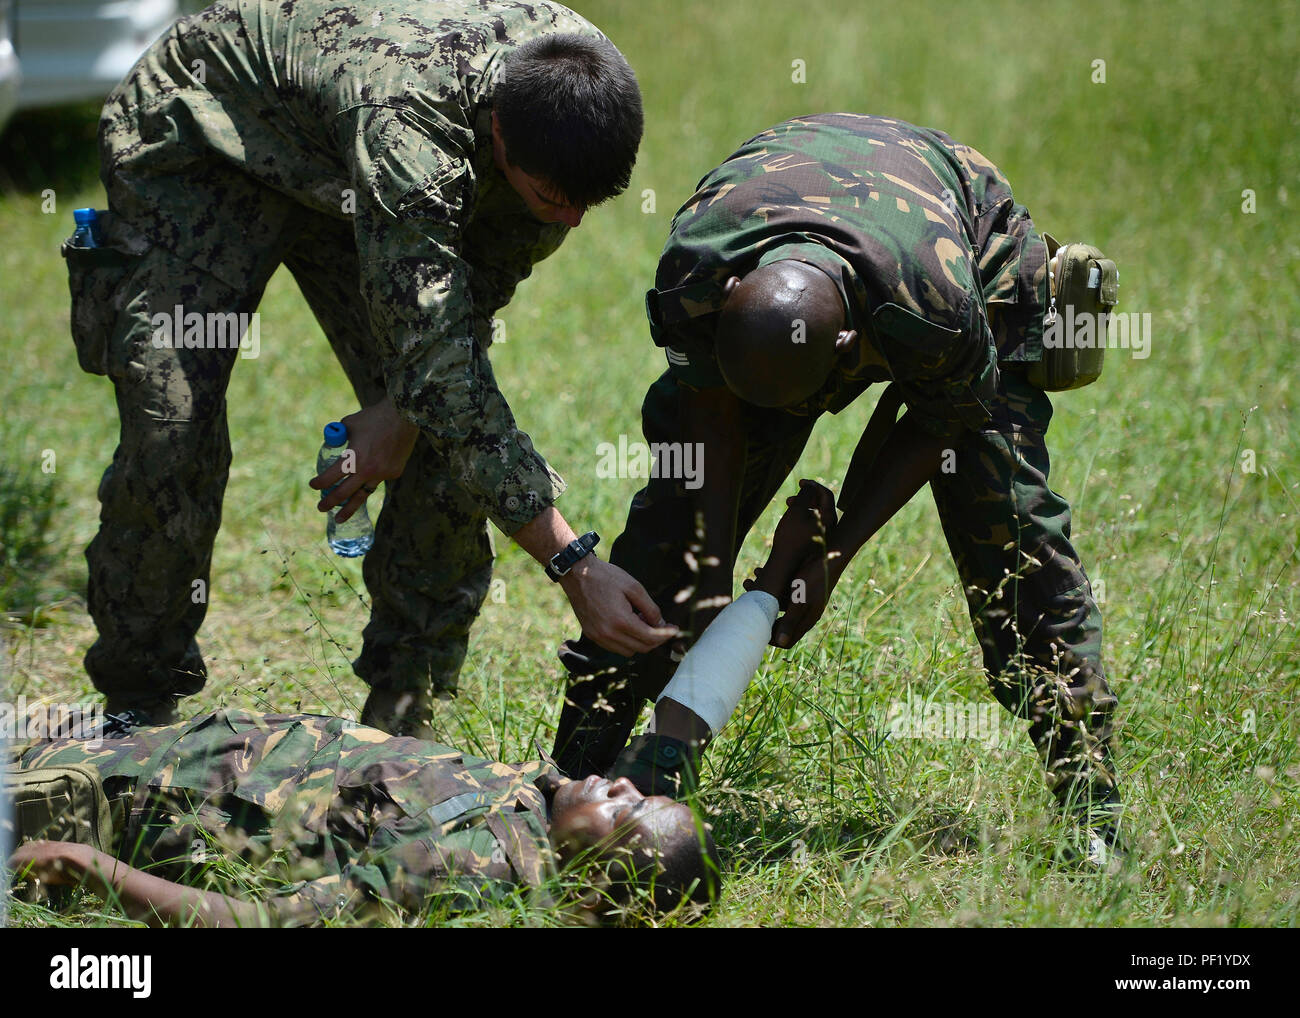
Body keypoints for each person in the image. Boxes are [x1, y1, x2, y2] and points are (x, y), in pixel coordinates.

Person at [66, 0, 675, 737]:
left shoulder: (577, 102)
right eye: (553, 200)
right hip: (206, 138)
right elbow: (440, 368)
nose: (570, 223)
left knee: (444, 449)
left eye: (586, 206)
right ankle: (138, 703)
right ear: (499, 136)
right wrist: (573, 563)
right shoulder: (413, 137)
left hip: (347, 165)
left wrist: (400, 414)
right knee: (173, 430)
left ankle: (400, 708)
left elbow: (463, 313)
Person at [553, 113, 1122, 852]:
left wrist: (831, 554)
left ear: (852, 348)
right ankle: (572, 777)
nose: (792, 420)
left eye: (800, 402)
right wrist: (713, 567)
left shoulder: (937, 303)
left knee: (1012, 531)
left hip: (955, 252)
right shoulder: (697, 272)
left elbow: (934, 421)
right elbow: (712, 410)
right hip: (789, 250)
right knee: (674, 538)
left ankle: (1090, 805)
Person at [6, 709, 720, 926]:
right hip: (167, 746)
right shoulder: (556, 808)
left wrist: (93, 869)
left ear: (591, 890)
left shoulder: (469, 865)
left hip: (118, 798)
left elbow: (274, 924)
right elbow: (680, 726)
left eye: (624, 811)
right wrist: (781, 573)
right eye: (639, 791)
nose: (619, 785)